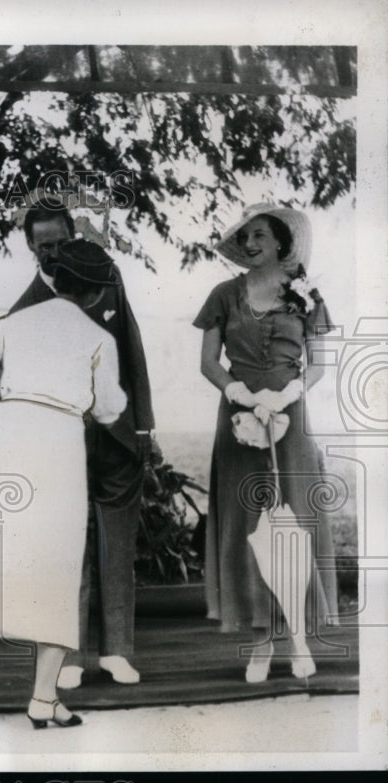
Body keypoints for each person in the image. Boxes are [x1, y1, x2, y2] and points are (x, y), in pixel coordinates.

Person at [0, 239, 128, 728]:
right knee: (56, 566)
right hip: (57, 442)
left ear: (54, 278)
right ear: (94, 292)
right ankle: (43, 698)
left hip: (4, 432)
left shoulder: (10, 323)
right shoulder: (99, 338)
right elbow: (109, 409)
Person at [0, 203, 155, 689]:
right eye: (45, 246)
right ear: (31, 248)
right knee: (67, 549)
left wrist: (143, 428)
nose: (54, 252)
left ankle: (118, 652)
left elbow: (134, 355)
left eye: (60, 242)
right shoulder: (25, 307)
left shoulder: (107, 280)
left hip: (118, 437)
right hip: (61, 447)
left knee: (117, 546)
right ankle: (71, 655)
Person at [194, 202, 338, 682]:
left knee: (293, 521)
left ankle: (297, 635)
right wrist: (238, 392)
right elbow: (209, 362)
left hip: (289, 416)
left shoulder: (306, 294)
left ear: (280, 241)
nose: (250, 245)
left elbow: (317, 363)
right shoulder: (223, 294)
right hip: (238, 418)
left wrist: (291, 392)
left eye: (258, 236)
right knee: (246, 527)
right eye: (245, 238)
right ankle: (259, 642)